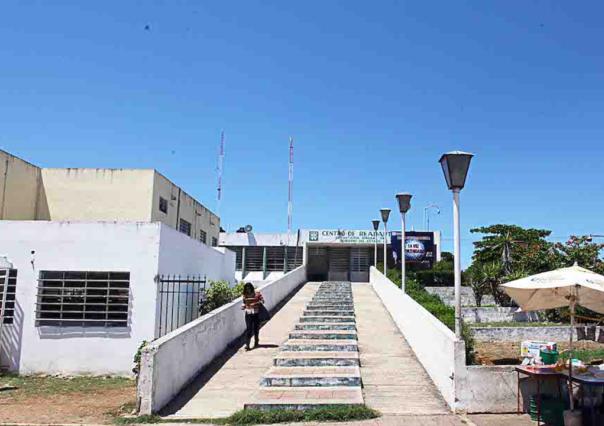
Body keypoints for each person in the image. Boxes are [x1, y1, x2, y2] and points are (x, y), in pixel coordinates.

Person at [241, 282, 264, 350]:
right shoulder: (245, 295)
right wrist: (244, 306)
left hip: (256, 313)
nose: (248, 290)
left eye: (249, 288)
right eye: (247, 289)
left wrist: (255, 303)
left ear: (251, 288)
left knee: (256, 328)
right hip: (248, 313)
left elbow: (262, 301)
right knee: (249, 329)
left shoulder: (257, 293)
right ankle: (247, 344)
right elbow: (244, 303)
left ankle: (256, 341)